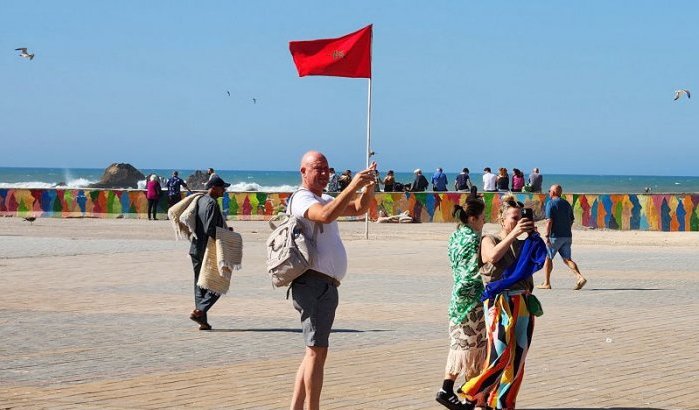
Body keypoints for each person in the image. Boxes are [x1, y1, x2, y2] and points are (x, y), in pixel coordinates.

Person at [289, 151, 377, 410]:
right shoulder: (301, 198)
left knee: (312, 352)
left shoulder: (325, 197)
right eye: (318, 168)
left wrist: (368, 189)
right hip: (312, 283)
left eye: (327, 168)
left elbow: (359, 209)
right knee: (317, 351)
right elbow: (325, 215)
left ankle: (296, 407)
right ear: (303, 171)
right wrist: (353, 185)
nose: (325, 173)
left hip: (326, 284)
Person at [458, 195, 540, 410]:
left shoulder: (524, 243)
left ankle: (503, 402)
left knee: (518, 358)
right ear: (502, 219)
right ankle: (475, 395)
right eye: (514, 217)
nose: (519, 221)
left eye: (522, 217)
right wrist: (514, 234)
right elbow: (492, 257)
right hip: (500, 302)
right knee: (500, 354)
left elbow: (539, 261)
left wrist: (537, 239)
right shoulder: (489, 239)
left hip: (523, 300)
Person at [436, 199, 487, 410]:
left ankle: (470, 395)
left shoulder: (456, 235)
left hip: (457, 299)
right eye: (483, 217)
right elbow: (471, 274)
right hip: (470, 299)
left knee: (464, 345)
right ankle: (449, 390)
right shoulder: (474, 240)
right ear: (473, 218)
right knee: (471, 347)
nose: (485, 221)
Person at [188, 175, 230, 330]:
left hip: (195, 248)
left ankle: (202, 320)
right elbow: (210, 229)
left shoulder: (200, 200)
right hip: (207, 250)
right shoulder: (211, 203)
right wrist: (226, 235)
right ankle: (200, 311)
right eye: (222, 187)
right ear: (214, 188)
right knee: (219, 283)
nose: (224, 190)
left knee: (200, 286)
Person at [537, 184, 587, 290]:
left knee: (548, 258)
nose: (549, 192)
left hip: (554, 236)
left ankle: (547, 283)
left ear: (553, 192)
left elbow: (549, 221)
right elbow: (572, 219)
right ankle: (579, 277)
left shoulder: (550, 203)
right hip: (567, 235)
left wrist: (546, 235)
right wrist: (566, 228)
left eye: (549, 190)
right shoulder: (566, 203)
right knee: (567, 259)